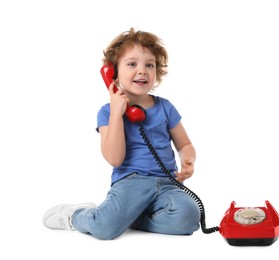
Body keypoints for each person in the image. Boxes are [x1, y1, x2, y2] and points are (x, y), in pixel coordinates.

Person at [42, 28, 200, 240]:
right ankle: (76, 216)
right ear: (113, 73)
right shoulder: (107, 112)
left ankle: (130, 217)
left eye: (149, 65)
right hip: (131, 182)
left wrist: (188, 159)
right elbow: (114, 158)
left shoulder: (165, 107)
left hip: (168, 183)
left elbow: (184, 144)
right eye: (132, 64)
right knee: (105, 228)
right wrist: (118, 113)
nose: (142, 70)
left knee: (189, 217)